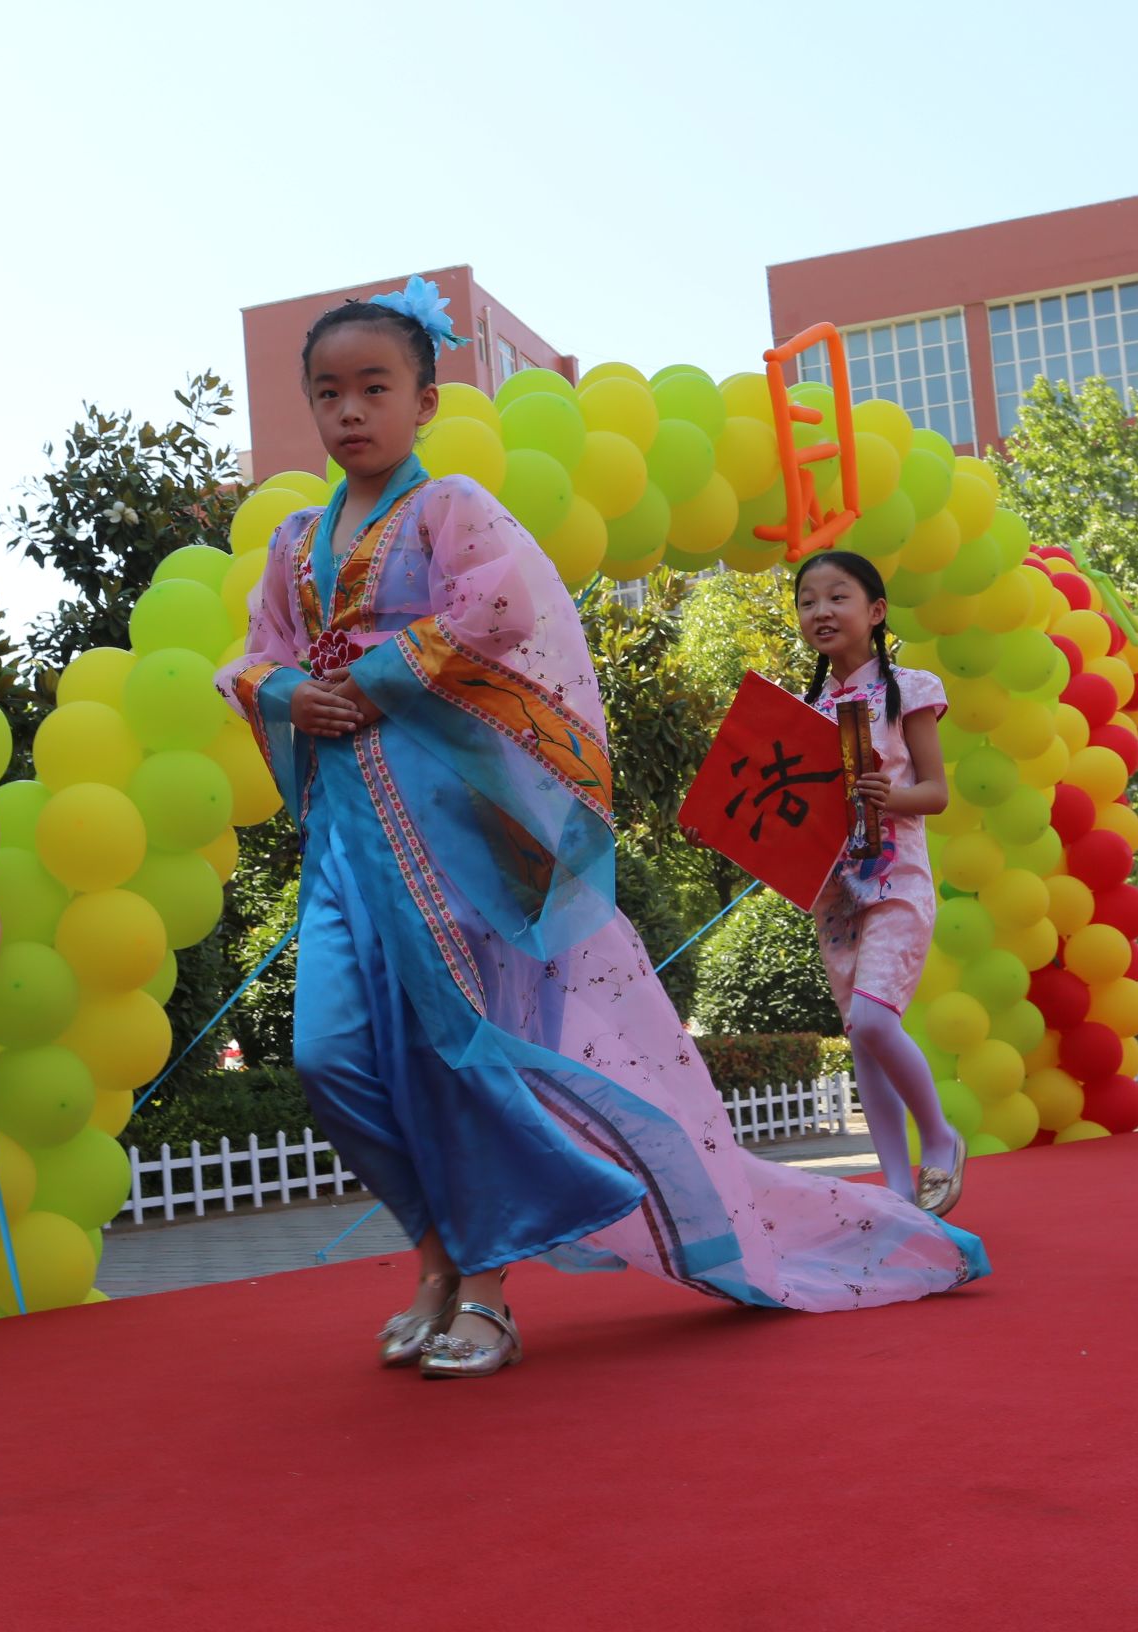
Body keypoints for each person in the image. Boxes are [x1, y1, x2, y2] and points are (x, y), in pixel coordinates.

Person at [217, 278, 987, 1379]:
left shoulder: (451, 511)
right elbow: (254, 651)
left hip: (458, 832)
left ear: (424, 402)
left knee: (461, 1049)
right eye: (328, 391)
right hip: (345, 831)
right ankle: (437, 1254)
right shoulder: (296, 537)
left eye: (374, 387)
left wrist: (376, 678)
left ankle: (483, 1289)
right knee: (330, 1056)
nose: (350, 411)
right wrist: (289, 694)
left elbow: (500, 608)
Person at [784, 551, 969, 1216]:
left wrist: (888, 796)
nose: (821, 611)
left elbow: (936, 794)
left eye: (837, 597)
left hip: (895, 881)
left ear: (876, 612)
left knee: (871, 1019)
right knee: (860, 1034)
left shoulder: (909, 688)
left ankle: (941, 1139)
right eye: (808, 600)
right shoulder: (802, 710)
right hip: (834, 897)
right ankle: (894, 1190)